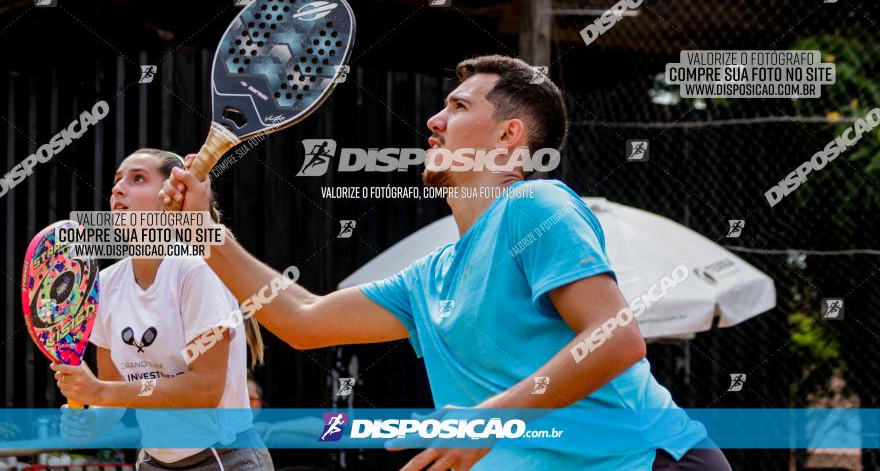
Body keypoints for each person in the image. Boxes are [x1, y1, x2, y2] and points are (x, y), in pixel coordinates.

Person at [162, 56, 731, 470]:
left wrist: (488, 422)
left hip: (654, 461)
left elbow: (616, 339)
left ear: (509, 137)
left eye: (458, 107)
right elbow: (303, 319)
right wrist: (202, 229)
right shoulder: (431, 275)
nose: (434, 120)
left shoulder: (537, 204)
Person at [53, 148, 274, 471]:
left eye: (137, 178)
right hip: (155, 461)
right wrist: (90, 422)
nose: (117, 189)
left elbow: (205, 390)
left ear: (169, 198)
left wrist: (101, 391)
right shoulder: (105, 284)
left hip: (224, 458)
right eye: (117, 181)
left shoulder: (197, 270)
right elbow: (111, 396)